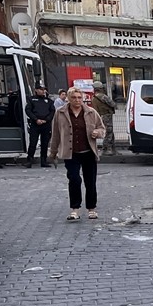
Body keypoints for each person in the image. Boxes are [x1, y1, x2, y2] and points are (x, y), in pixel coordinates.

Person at [49, 87, 107, 221]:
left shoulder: (91, 112)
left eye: (79, 97)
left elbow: (102, 128)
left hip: (88, 152)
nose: (77, 100)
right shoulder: (61, 113)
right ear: (68, 98)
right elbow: (56, 134)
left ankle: (91, 209)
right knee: (74, 179)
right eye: (74, 97)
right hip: (71, 153)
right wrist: (53, 153)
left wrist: (97, 133)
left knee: (90, 181)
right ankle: (75, 209)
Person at [24, 83, 54, 167]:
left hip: (46, 124)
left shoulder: (49, 101)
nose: (43, 91)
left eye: (44, 89)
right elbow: (28, 110)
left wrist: (46, 120)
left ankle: (43, 161)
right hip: (35, 124)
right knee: (33, 143)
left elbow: (52, 111)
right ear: (36, 90)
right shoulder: (31, 100)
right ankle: (29, 160)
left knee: (45, 144)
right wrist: (35, 119)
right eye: (41, 89)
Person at [90, 81, 117, 156]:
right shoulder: (103, 96)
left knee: (108, 132)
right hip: (106, 116)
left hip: (100, 116)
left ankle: (112, 149)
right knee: (108, 132)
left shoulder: (94, 97)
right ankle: (106, 150)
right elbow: (113, 104)